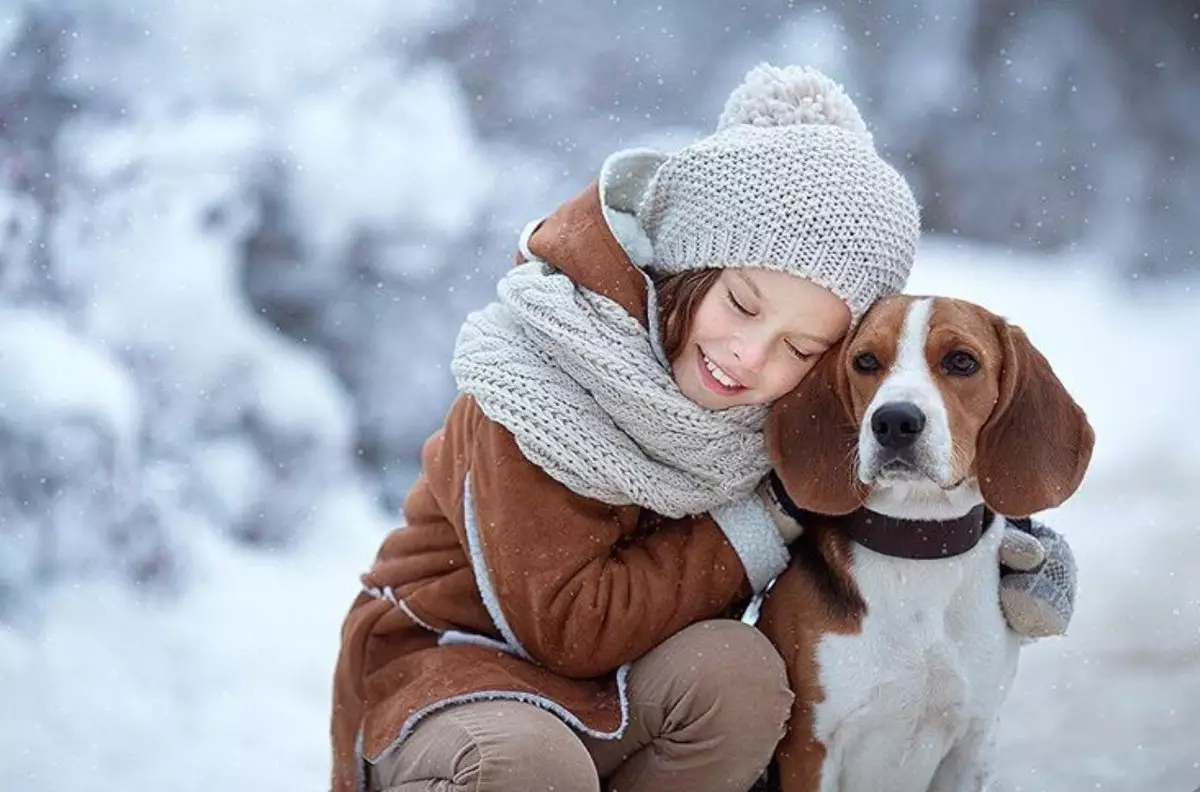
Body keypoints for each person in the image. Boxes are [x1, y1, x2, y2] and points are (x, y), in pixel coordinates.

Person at [329, 63, 1078, 792]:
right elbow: (566, 627)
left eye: (799, 347)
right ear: (690, 266)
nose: (749, 355)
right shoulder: (535, 382)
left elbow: (847, 495)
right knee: (528, 769)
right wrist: (767, 518)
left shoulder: (765, 410)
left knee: (742, 679)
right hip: (449, 673)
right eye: (743, 306)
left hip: (617, 686)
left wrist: (992, 553)